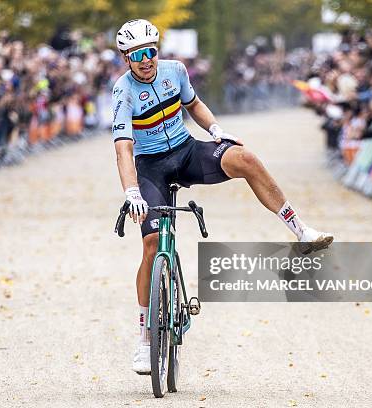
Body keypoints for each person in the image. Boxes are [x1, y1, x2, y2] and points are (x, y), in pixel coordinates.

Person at [111, 19, 334, 375]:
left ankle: (300, 228)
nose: (146, 60)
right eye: (137, 55)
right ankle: (145, 338)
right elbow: (123, 149)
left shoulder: (176, 71)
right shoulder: (123, 91)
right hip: (151, 167)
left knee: (244, 156)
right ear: (126, 58)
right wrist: (132, 191)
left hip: (186, 152)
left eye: (150, 51)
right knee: (151, 244)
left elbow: (194, 104)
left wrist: (214, 129)